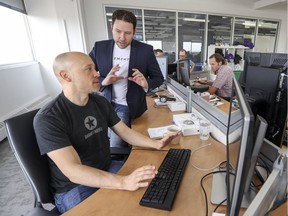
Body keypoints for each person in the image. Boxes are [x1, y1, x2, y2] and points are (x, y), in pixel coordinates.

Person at [33, 52, 178, 214]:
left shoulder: (99, 101)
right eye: (88, 69)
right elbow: (73, 171)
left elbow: (124, 131)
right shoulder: (49, 117)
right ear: (65, 76)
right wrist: (123, 182)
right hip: (74, 187)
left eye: (94, 68)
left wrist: (156, 144)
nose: (97, 73)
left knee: (154, 188)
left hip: (107, 168)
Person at [89, 9, 164, 150]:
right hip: (103, 103)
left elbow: (159, 78)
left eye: (128, 33)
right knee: (100, 143)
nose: (122, 38)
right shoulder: (100, 47)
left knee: (116, 146)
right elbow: (87, 73)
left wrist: (146, 83)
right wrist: (105, 82)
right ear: (112, 27)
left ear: (134, 31)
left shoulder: (145, 50)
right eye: (118, 31)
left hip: (126, 106)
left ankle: (119, 169)